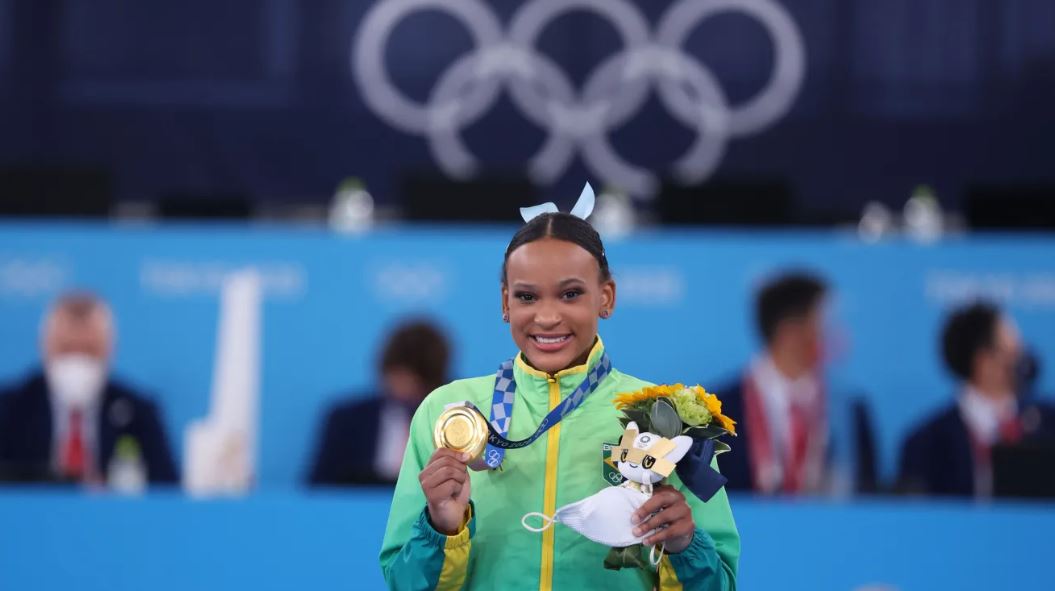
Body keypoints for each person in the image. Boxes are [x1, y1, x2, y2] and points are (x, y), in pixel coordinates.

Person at [379, 191, 739, 590]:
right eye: (527, 296)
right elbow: (403, 584)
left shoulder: (667, 417)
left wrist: (683, 545)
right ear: (505, 303)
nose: (548, 316)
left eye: (570, 294)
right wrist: (441, 527)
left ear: (606, 297)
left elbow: (721, 584)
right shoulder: (446, 412)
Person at [716, 272, 877, 495]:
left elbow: (869, 499)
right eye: (826, 323)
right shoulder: (718, 411)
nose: (837, 334)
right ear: (790, 332)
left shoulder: (851, 411)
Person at [0, 292, 179, 485]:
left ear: (110, 349)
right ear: (44, 345)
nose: (77, 361)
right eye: (67, 349)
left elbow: (166, 490)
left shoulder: (138, 412)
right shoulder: (9, 408)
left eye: (89, 350)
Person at [897, 301, 1055, 497]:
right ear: (984, 361)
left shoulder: (1048, 424)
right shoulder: (926, 444)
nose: (1024, 356)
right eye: (1014, 348)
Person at [308, 319, 451, 486]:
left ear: (433, 380)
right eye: (396, 376)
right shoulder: (346, 420)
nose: (402, 388)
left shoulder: (456, 421)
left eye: (413, 380)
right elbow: (318, 488)